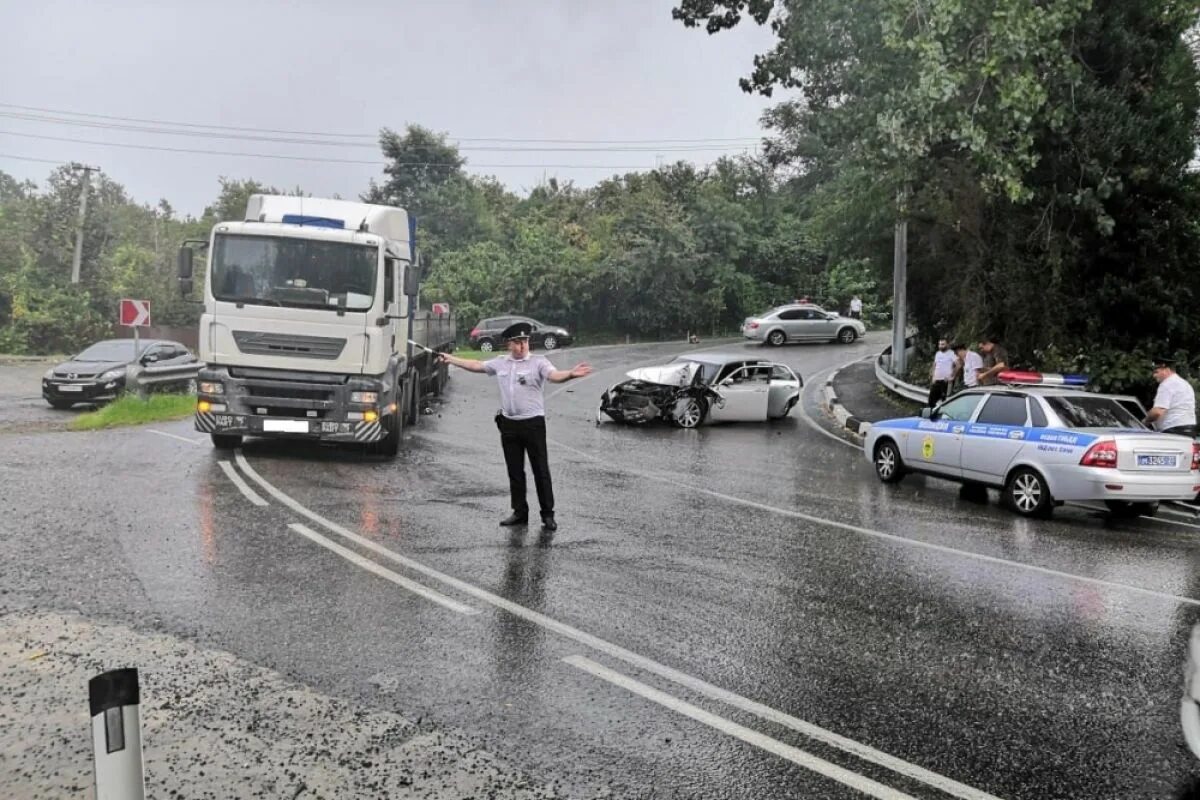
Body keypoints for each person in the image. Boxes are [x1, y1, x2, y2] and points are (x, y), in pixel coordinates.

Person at [438, 322, 592, 531]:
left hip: (533, 424)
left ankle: (548, 514)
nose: (522, 346)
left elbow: (554, 376)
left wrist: (570, 374)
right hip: (509, 424)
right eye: (518, 342)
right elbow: (476, 365)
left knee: (541, 470)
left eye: (525, 342)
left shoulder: (539, 362)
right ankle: (520, 512)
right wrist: (451, 359)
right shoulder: (501, 363)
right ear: (509, 344)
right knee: (515, 471)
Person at [1144, 356, 1196, 436]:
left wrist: (1145, 421)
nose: (1154, 375)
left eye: (1156, 372)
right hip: (1189, 429)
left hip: (1173, 430)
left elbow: (1158, 411)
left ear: (1167, 370)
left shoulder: (1166, 384)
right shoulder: (1185, 384)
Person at [928, 337, 957, 408]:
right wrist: (932, 375)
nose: (941, 346)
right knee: (931, 400)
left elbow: (958, 364)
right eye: (940, 344)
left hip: (946, 381)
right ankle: (932, 413)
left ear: (947, 344)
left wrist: (953, 376)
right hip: (937, 380)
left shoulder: (951, 353)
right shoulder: (937, 354)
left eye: (943, 344)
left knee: (945, 400)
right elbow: (935, 365)